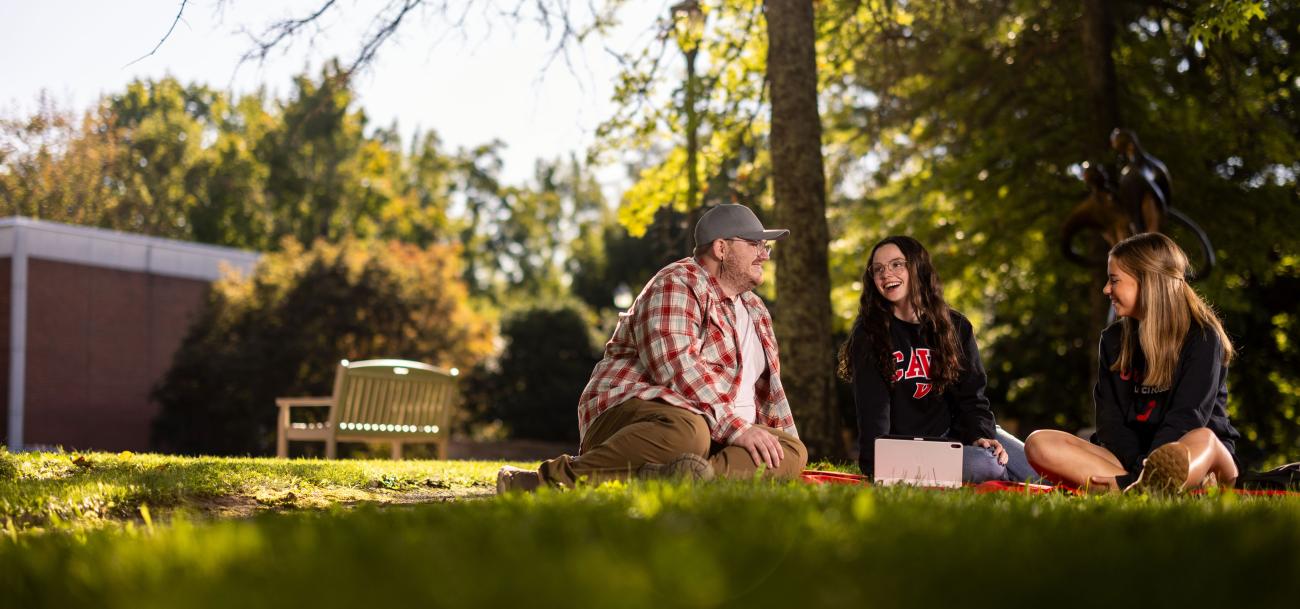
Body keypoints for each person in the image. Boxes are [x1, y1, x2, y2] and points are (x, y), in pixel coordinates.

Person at [497, 204, 808, 492]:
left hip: (716, 430)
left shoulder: (756, 310)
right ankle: (543, 481)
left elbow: (770, 397)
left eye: (765, 246)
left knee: (791, 451)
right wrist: (736, 429)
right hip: (635, 415)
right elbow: (675, 364)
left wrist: (776, 448)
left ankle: (689, 476)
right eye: (755, 244)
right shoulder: (679, 282)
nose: (764, 255)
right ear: (721, 248)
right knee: (690, 433)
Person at [1024, 232, 1240, 493]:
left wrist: (1148, 467)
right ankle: (1144, 488)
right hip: (1130, 462)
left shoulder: (1203, 338)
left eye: (1114, 280)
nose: (1106, 289)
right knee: (1039, 443)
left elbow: (1187, 419)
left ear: (1148, 282)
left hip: (1198, 457)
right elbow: (1109, 424)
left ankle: (1133, 486)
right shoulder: (1113, 340)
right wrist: (1141, 468)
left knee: (1202, 439)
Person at [837, 236, 1038, 484]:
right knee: (987, 463)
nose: (886, 273)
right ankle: (997, 475)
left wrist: (981, 434)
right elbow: (873, 411)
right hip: (910, 450)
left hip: (957, 436)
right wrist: (877, 465)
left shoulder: (956, 326)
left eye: (896, 264)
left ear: (917, 267)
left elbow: (972, 396)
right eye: (878, 268)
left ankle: (999, 473)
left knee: (1039, 469)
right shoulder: (869, 334)